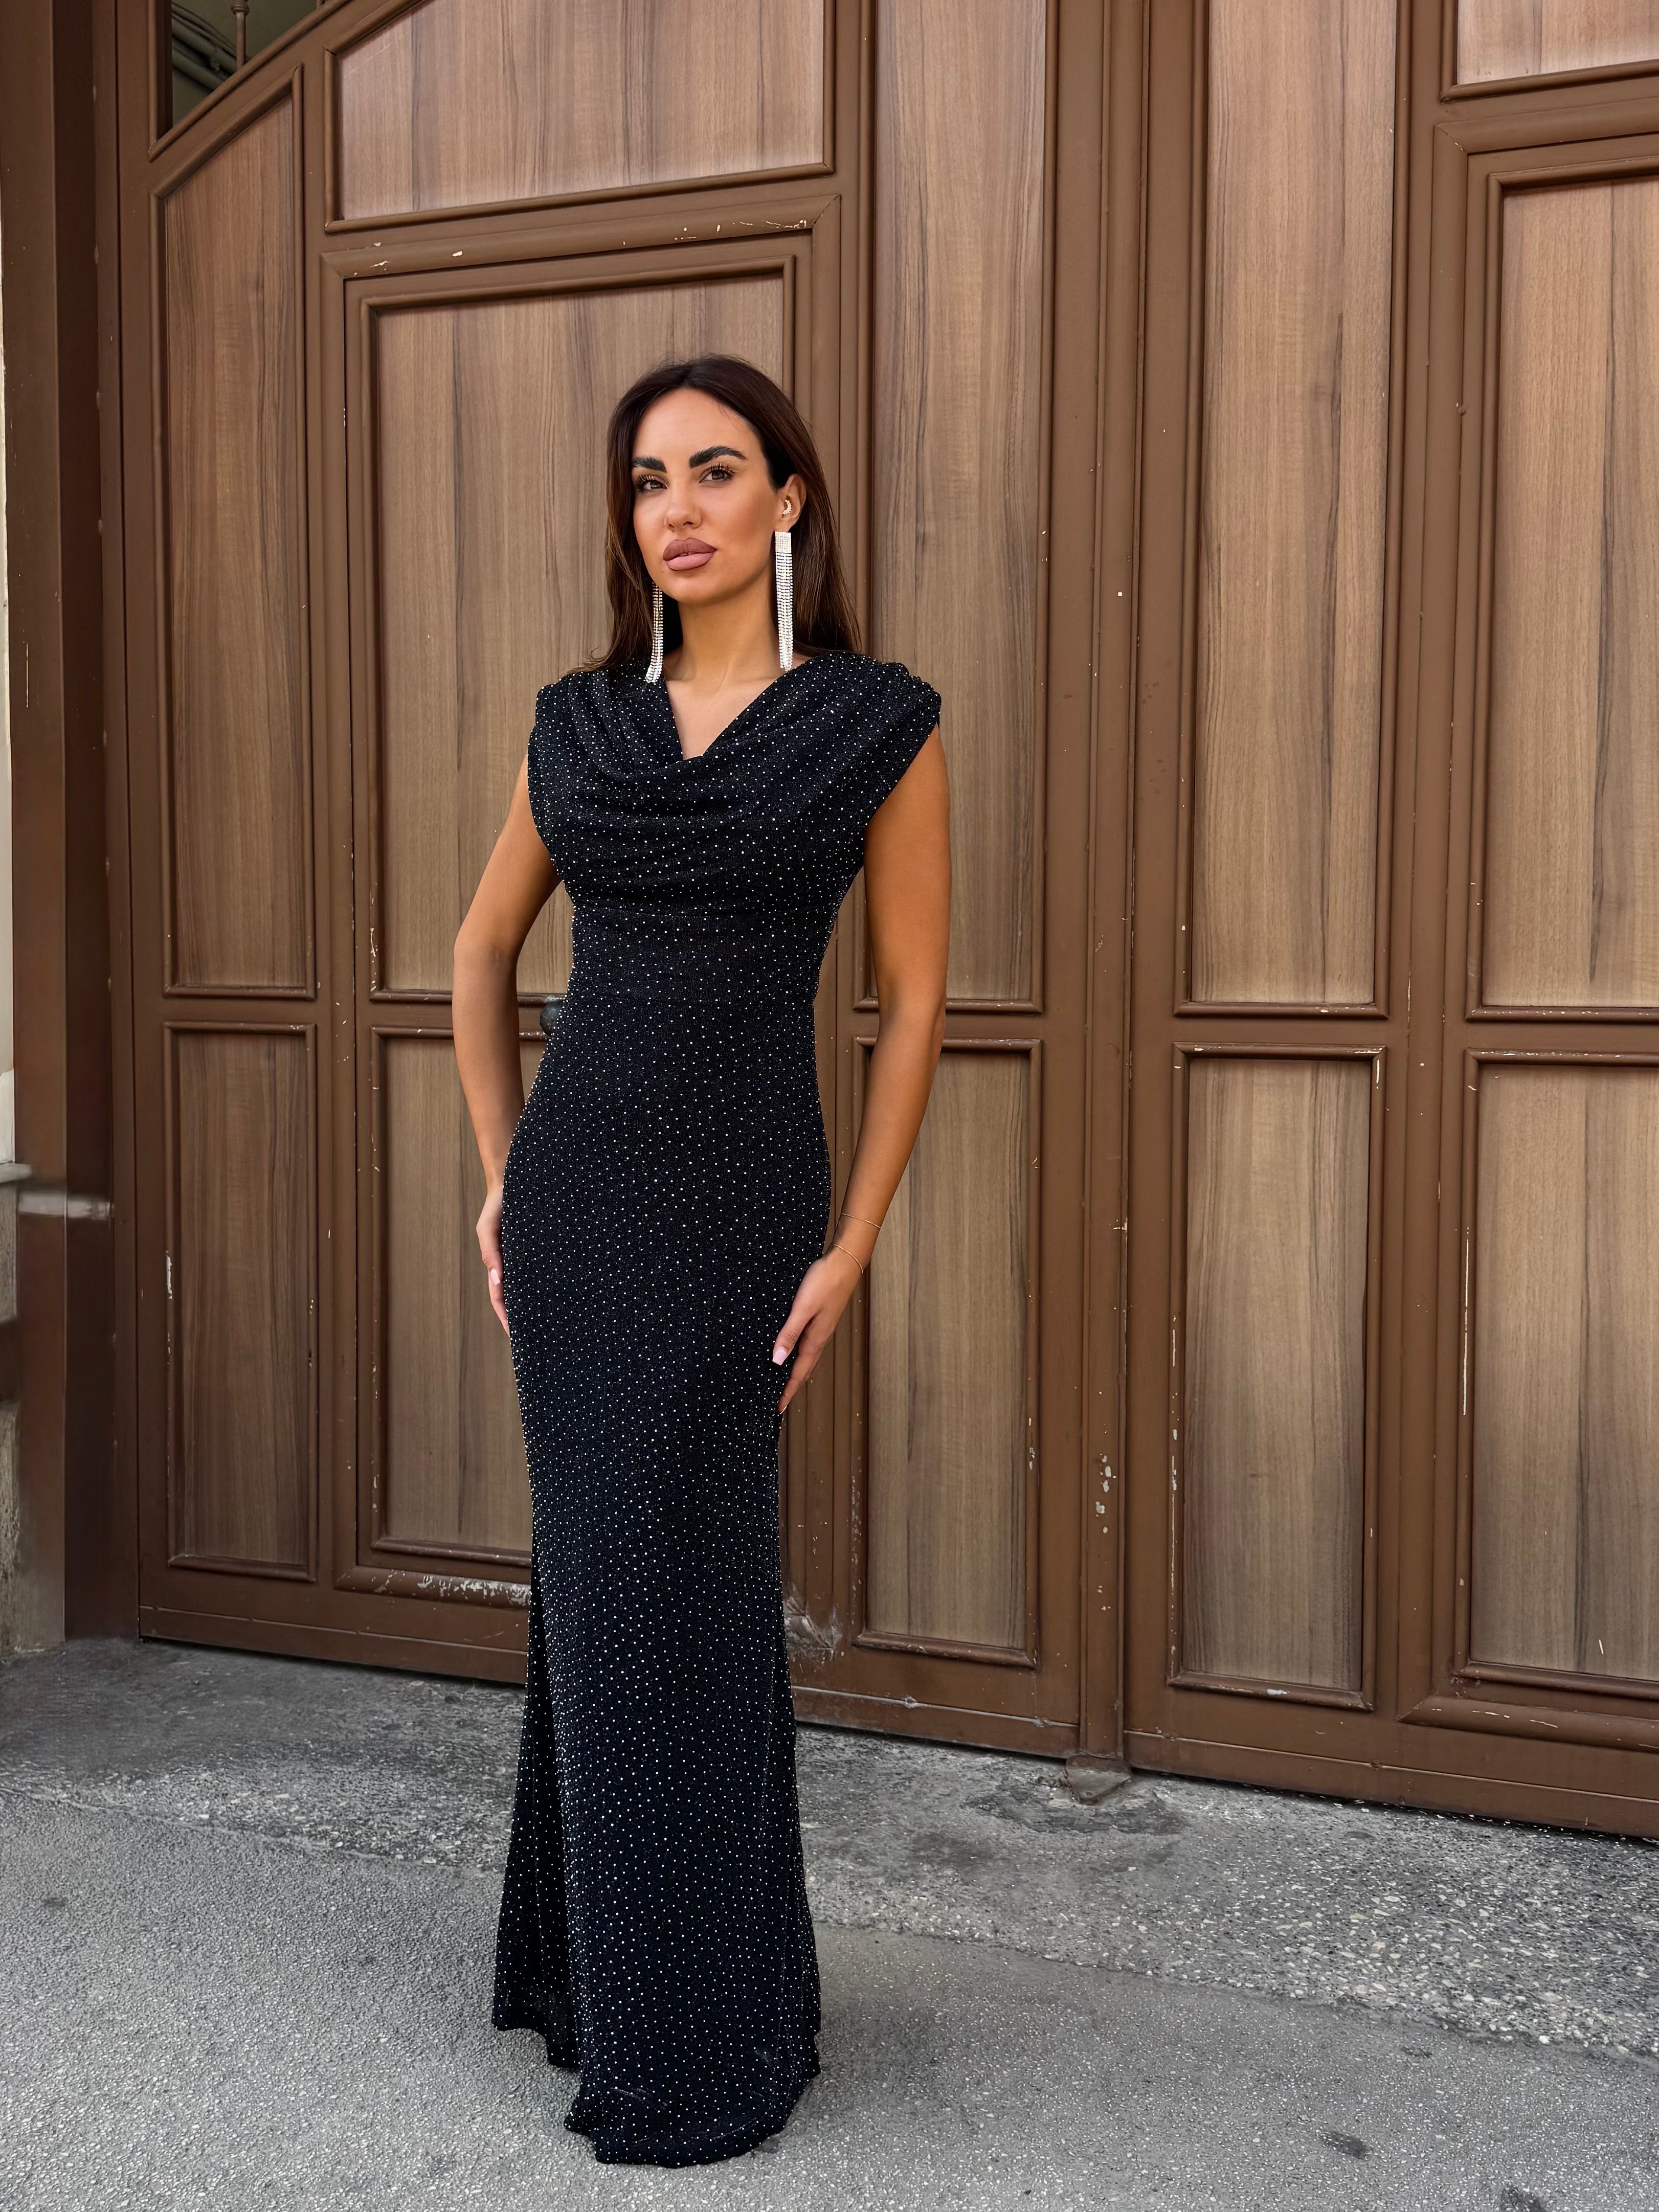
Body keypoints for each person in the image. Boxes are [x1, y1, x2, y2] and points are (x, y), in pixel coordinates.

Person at [452, 352, 950, 2166]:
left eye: (716, 470)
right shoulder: (579, 725)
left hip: (743, 1208)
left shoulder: (871, 722)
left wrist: (855, 1242)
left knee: (688, 1588)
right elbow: (477, 952)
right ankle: (602, 1985)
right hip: (579, 1207)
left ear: (787, 498)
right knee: (601, 1583)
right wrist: (503, 1174)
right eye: (649, 479)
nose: (677, 508)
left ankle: (697, 2028)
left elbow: (911, 1002)